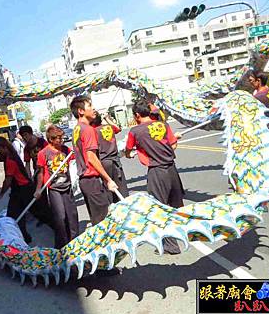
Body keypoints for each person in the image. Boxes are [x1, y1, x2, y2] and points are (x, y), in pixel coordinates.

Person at [125, 99, 184, 255]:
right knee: (176, 206)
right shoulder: (164, 125)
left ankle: (171, 246)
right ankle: (186, 235)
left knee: (160, 208)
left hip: (157, 172)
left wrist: (129, 153)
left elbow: (128, 149)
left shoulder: (135, 131)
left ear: (137, 115)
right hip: (172, 169)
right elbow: (173, 145)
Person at [70, 96, 118, 226]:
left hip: (85, 181)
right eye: (90, 106)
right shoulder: (88, 130)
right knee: (103, 222)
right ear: (81, 111)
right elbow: (91, 157)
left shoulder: (77, 129)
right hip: (91, 180)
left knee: (97, 220)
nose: (93, 109)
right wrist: (108, 179)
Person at [34, 125, 78, 248]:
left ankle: (75, 242)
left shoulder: (66, 150)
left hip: (67, 186)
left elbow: (77, 155)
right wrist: (38, 189)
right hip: (54, 189)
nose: (61, 140)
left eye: (61, 137)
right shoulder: (43, 153)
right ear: (51, 139)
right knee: (60, 217)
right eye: (58, 138)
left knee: (72, 216)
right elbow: (41, 173)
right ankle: (62, 246)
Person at [0, 137, 33, 243]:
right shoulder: (7, 156)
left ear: (5, 147)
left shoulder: (10, 160)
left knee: (14, 215)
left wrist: (1, 194)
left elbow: (8, 181)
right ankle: (24, 237)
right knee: (16, 215)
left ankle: (21, 239)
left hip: (23, 189)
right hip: (20, 189)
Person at [18, 125, 53, 228]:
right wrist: (29, 179)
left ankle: (55, 214)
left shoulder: (42, 142)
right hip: (39, 173)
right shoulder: (27, 148)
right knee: (40, 197)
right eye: (22, 136)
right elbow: (27, 165)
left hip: (49, 170)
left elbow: (50, 155)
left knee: (52, 193)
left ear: (30, 133)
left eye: (25, 135)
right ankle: (46, 217)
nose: (25, 138)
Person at [90, 112, 129, 203]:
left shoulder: (93, 131)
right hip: (115, 161)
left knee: (109, 190)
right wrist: (107, 118)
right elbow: (118, 128)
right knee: (121, 188)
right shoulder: (109, 127)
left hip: (104, 162)